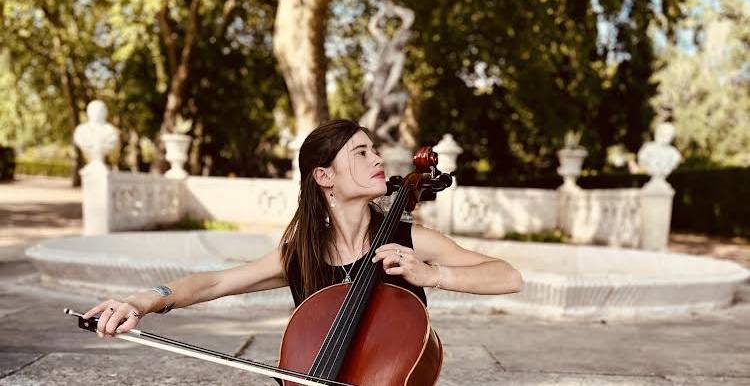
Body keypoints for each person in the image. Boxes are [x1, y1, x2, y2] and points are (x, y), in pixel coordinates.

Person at [83, 119, 523, 339]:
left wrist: (434, 276)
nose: (377, 161)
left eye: (375, 151)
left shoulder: (409, 241)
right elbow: (215, 281)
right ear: (324, 177)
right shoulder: (303, 253)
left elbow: (509, 276)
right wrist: (140, 302)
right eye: (361, 153)